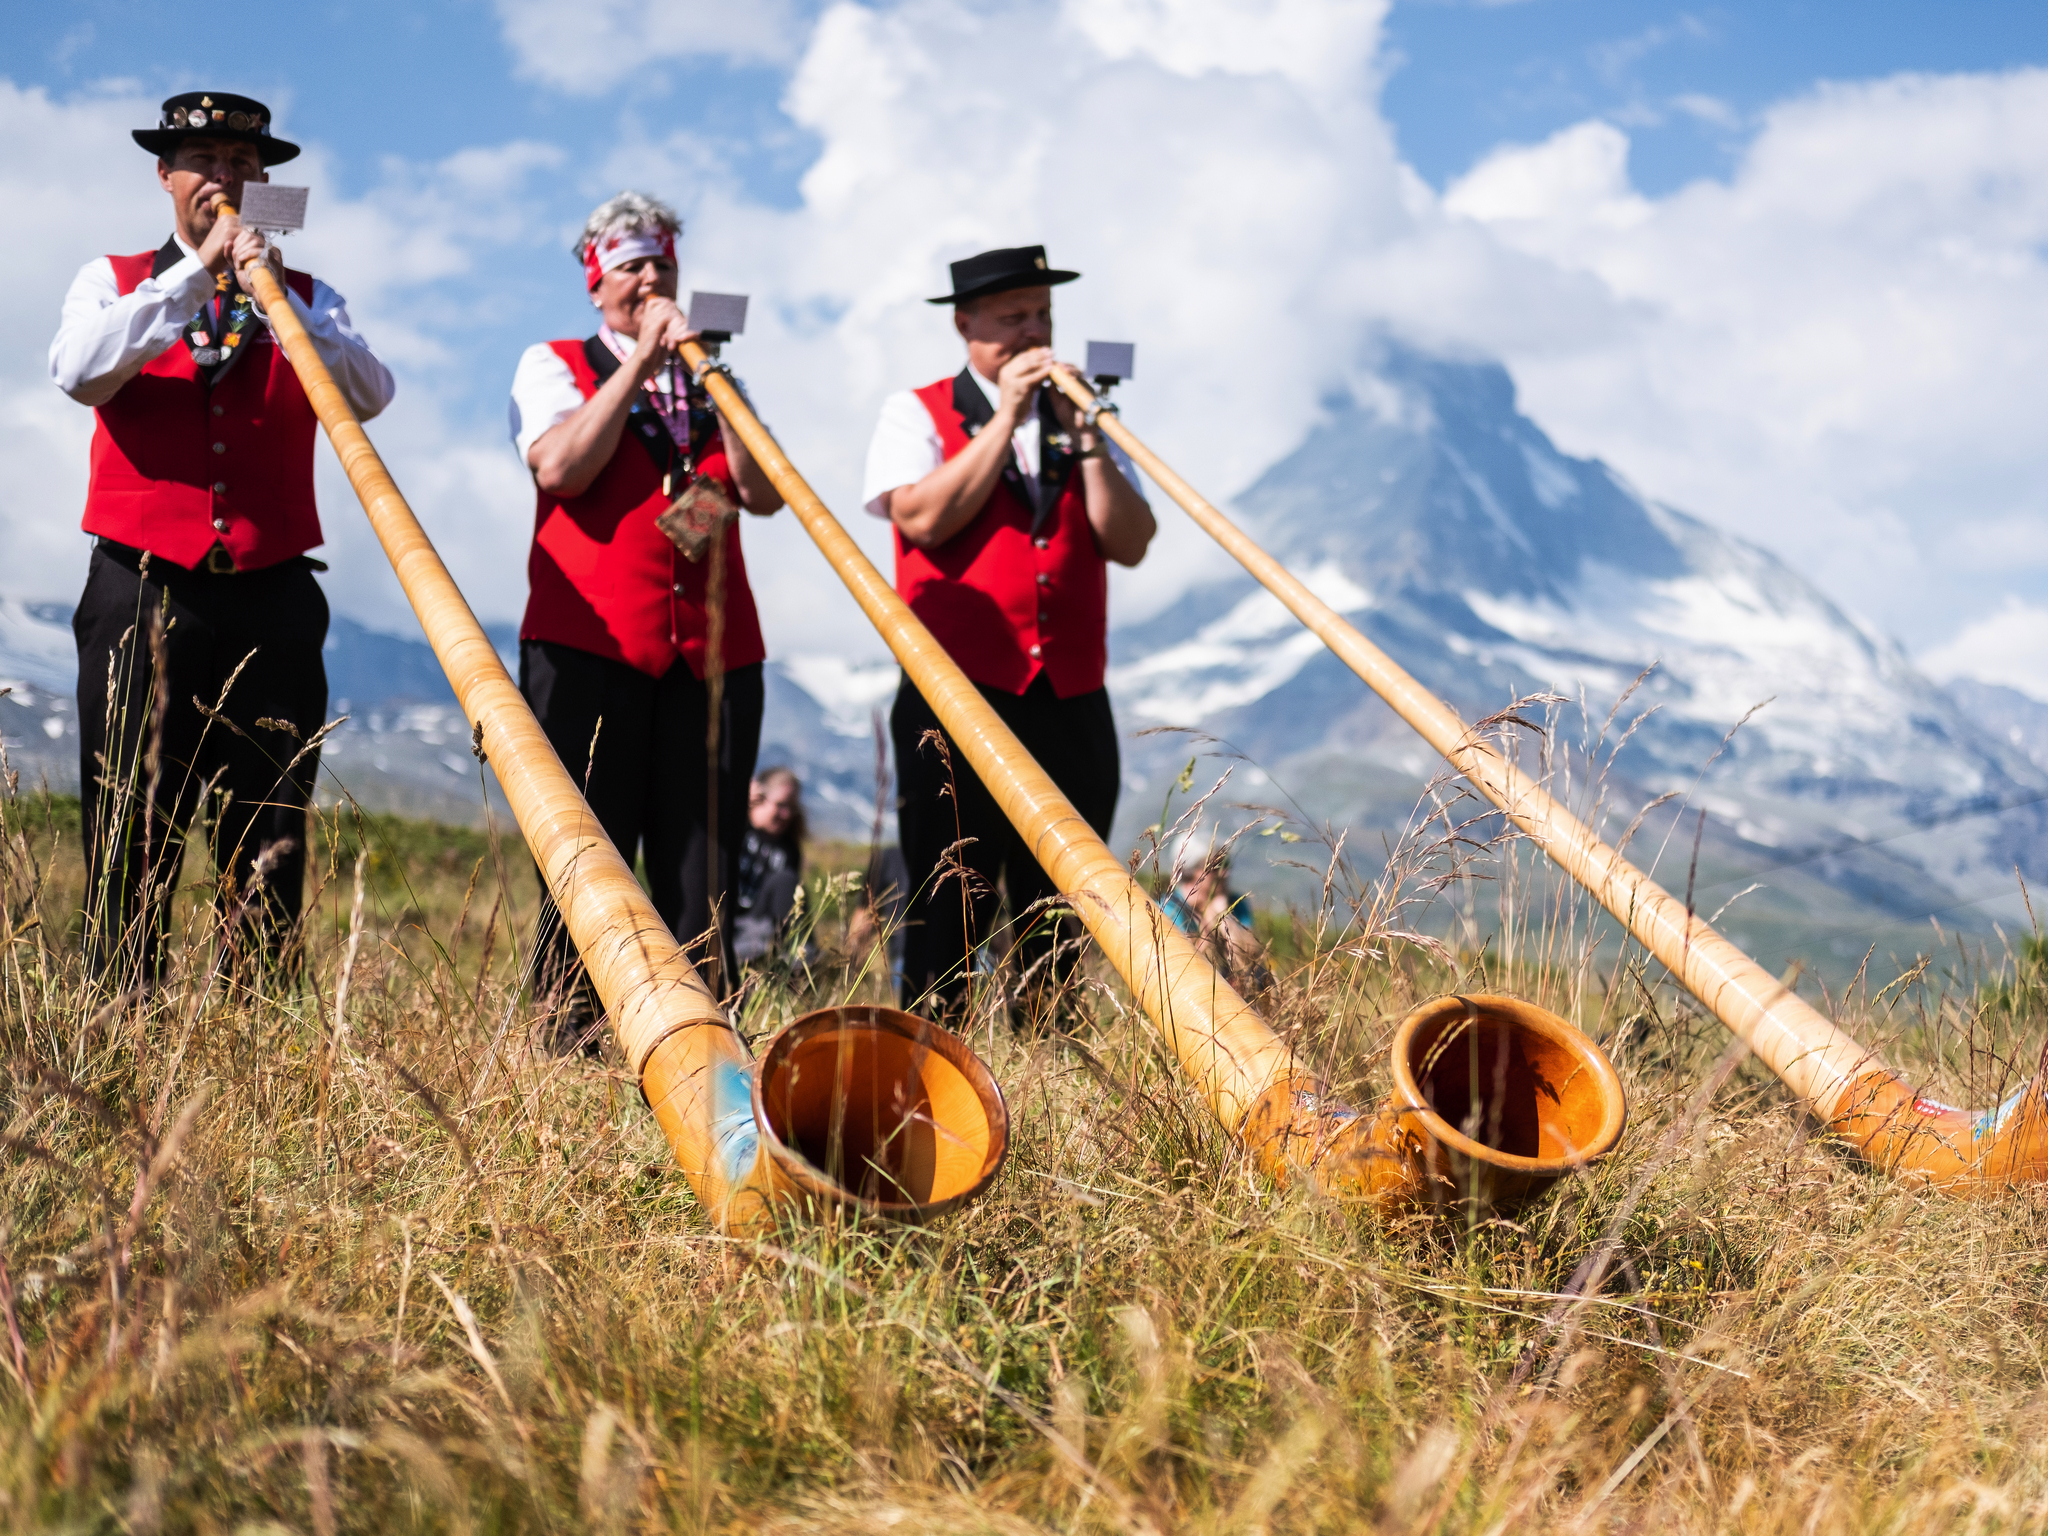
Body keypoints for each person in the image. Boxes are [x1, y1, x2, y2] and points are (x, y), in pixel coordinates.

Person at [49, 92, 394, 986]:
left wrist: (283, 303)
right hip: (141, 589)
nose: (225, 178)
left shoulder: (312, 297)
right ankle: (119, 1023)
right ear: (166, 175)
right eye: (205, 160)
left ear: (267, 181)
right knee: (130, 826)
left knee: (270, 829)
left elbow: (369, 392)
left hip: (273, 596)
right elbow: (79, 372)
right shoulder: (113, 277)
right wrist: (198, 274)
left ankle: (254, 1038)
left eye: (244, 163)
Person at [509, 191, 784, 1049]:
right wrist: (635, 367)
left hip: (711, 658)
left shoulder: (712, 376)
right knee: (589, 859)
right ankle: (567, 1045)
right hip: (588, 645)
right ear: (597, 284)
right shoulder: (553, 363)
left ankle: (701, 1045)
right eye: (630, 265)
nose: (650, 278)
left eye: (662, 263)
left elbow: (766, 493)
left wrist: (713, 382)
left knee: (702, 867)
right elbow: (560, 469)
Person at [861, 246, 1156, 1025]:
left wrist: (1087, 437)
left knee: (1060, 907)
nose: (1033, 333)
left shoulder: (1080, 418)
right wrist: (1003, 421)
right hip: (955, 694)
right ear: (966, 326)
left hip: (1068, 696)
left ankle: (1049, 1062)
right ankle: (930, 1066)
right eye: (1012, 319)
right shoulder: (915, 411)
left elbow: (1129, 541)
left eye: (1043, 316)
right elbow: (920, 519)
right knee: (946, 904)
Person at [1161, 829, 1266, 987]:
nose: (1225, 873)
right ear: (1190, 871)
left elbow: (1255, 955)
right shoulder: (1168, 909)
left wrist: (1225, 918)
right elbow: (1185, 966)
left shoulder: (1236, 903)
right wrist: (1209, 926)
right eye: (1216, 866)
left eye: (1227, 864)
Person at [734, 766, 805, 965]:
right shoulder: (736, 831)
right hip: (725, 921)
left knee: (787, 881)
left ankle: (791, 958)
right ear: (758, 799)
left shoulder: (789, 849)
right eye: (781, 805)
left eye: (792, 807)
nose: (786, 814)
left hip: (761, 924)